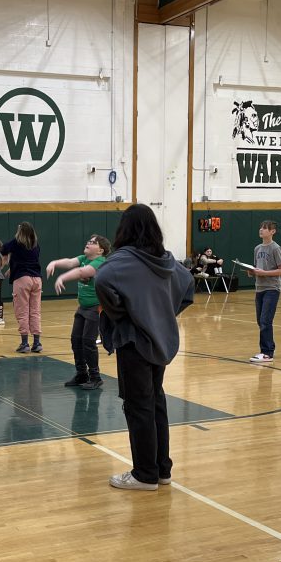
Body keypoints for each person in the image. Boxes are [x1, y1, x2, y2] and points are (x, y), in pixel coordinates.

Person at [95, 204, 193, 491]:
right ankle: (162, 469)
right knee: (155, 402)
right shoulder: (165, 260)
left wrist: (122, 314)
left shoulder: (122, 260)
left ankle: (145, 474)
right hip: (160, 341)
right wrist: (162, 313)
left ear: (124, 229)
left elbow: (101, 280)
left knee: (139, 406)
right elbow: (187, 285)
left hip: (134, 342)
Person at [46, 234, 111, 389]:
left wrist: (62, 278)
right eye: (88, 241)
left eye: (93, 242)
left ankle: (95, 377)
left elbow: (83, 273)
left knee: (88, 342)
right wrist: (54, 263)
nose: (88, 243)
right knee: (76, 340)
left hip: (96, 308)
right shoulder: (83, 258)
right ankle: (82, 374)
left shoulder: (100, 262)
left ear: (100, 250)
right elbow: (69, 262)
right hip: (82, 308)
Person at [245, 220, 281, 363]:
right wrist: (252, 272)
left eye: (264, 228)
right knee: (260, 321)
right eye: (260, 227)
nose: (261, 230)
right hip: (259, 288)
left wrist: (264, 273)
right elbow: (258, 269)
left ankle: (267, 352)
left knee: (265, 320)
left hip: (272, 289)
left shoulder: (276, 248)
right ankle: (268, 347)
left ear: (272, 231)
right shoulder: (257, 248)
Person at [1, 221, 43, 353]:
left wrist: (7, 263)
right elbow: (26, 259)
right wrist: (12, 268)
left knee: (22, 311)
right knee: (35, 311)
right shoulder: (36, 245)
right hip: (36, 279)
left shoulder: (16, 243)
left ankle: (24, 343)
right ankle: (37, 342)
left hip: (22, 279)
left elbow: (3, 249)